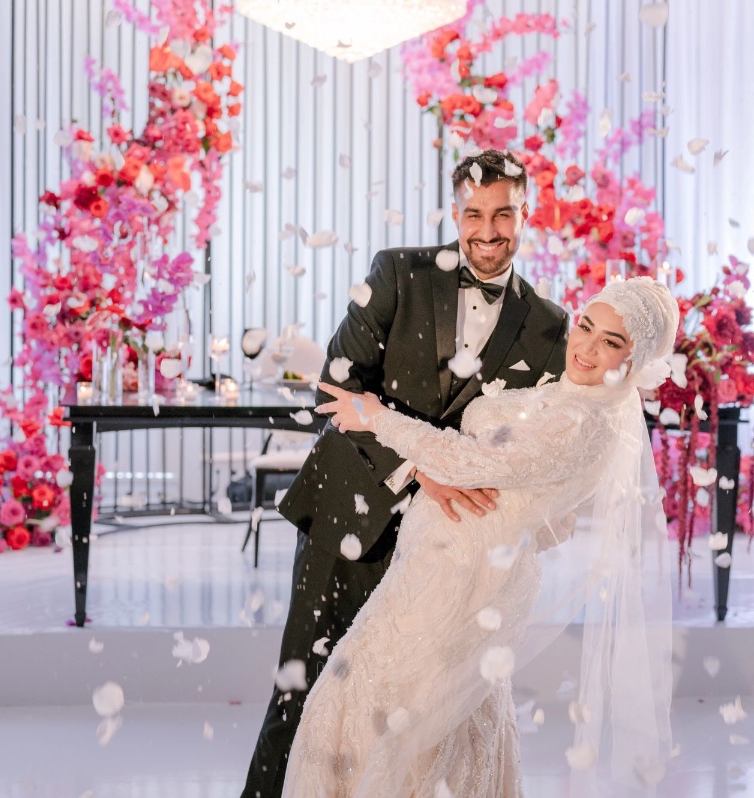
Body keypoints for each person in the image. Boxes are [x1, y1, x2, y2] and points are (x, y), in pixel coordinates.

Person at [240, 149, 570, 798]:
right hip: (351, 513)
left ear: (527, 213)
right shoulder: (398, 274)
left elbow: (538, 443)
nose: (488, 230)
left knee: (413, 722)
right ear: (455, 212)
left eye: (505, 213)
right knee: (303, 695)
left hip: (451, 552)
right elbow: (336, 388)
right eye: (474, 213)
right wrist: (423, 467)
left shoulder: (550, 327)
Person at [284, 276, 679, 797]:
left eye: (611, 342)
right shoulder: (569, 395)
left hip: (465, 583)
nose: (586, 346)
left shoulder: (587, 424)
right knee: (422, 719)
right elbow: (550, 518)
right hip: (445, 568)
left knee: (389, 714)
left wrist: (376, 417)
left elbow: (468, 463)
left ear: (634, 361)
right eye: (586, 325)